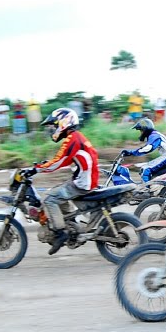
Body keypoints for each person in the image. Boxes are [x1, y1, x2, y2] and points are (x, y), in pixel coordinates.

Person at [30, 107, 99, 255]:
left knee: (49, 199)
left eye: (54, 125)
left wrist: (36, 169)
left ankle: (60, 233)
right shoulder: (76, 137)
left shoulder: (72, 139)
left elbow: (58, 162)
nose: (52, 129)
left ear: (64, 122)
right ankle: (71, 224)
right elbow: (65, 159)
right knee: (58, 191)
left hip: (83, 183)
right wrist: (45, 165)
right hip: (86, 179)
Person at [121, 116, 166, 183]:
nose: (141, 133)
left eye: (141, 130)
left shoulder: (154, 135)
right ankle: (152, 183)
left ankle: (146, 188)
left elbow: (148, 148)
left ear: (145, 129)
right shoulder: (154, 134)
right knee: (146, 168)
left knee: (145, 169)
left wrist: (131, 152)